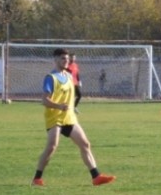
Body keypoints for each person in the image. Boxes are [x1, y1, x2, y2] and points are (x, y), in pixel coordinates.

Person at [32, 48, 115, 187]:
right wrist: (59, 106)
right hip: (55, 118)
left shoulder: (69, 76)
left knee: (85, 144)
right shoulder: (50, 78)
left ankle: (96, 176)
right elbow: (44, 101)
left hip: (69, 117)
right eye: (62, 58)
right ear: (56, 59)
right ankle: (36, 179)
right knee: (52, 147)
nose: (66, 61)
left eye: (67, 58)